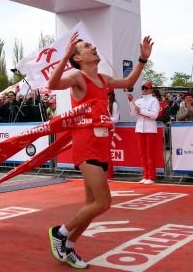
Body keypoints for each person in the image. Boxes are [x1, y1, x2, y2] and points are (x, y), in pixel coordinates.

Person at [47, 31, 153, 269]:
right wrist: (64, 57)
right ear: (78, 58)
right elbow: (52, 84)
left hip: (102, 146)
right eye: (86, 46)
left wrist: (142, 59)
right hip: (86, 147)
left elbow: (128, 83)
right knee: (104, 203)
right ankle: (60, 233)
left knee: (91, 206)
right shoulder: (77, 77)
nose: (92, 47)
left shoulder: (103, 80)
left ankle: (70, 246)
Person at [128, 81, 160, 185]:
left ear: (151, 89)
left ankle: (151, 176)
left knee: (150, 154)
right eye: (143, 88)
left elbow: (155, 115)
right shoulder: (138, 100)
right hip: (139, 128)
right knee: (142, 154)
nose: (144, 90)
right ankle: (145, 175)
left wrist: (141, 110)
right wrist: (131, 102)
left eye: (146, 88)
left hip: (150, 128)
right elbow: (133, 114)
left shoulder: (154, 101)